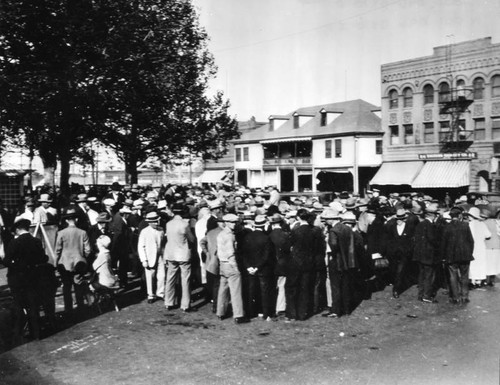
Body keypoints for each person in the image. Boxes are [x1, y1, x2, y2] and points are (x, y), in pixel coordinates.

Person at [4, 219, 48, 342]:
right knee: (33, 305)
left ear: (17, 229)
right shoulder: (36, 242)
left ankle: (20, 333)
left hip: (17, 279)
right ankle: (37, 333)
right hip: (33, 278)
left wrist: (16, 264)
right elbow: (43, 258)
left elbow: (7, 261)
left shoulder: (14, 243)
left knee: (19, 305)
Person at [285, 208, 323, 321]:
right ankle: (303, 313)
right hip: (309, 262)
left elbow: (288, 246)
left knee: (292, 288)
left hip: (295, 262)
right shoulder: (315, 231)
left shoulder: (295, 231)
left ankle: (292, 313)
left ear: (298, 217)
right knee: (305, 288)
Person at [55, 208, 91, 316]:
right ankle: (81, 308)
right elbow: (88, 250)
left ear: (66, 221)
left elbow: (57, 250)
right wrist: (83, 257)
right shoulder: (82, 232)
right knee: (78, 285)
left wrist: (56, 263)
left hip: (64, 263)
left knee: (66, 287)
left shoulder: (61, 233)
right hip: (79, 263)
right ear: (76, 219)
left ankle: (68, 310)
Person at [240, 214, 275, 320]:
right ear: (264, 225)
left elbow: (243, 254)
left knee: (251, 291)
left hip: (249, 268)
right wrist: (258, 267)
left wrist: (248, 267)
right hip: (262, 269)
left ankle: (251, 312)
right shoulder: (266, 238)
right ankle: (265, 313)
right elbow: (266, 255)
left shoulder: (247, 237)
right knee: (264, 291)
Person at [216, 213, 248, 324]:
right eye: (231, 222)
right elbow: (231, 253)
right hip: (230, 264)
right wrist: (235, 267)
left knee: (223, 289)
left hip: (222, 264)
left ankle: (220, 312)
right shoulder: (229, 235)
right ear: (226, 222)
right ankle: (238, 315)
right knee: (235, 291)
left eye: (235, 222)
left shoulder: (221, 234)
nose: (233, 224)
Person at [164, 204, 195, 311]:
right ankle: (185, 305)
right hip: (183, 254)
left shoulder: (168, 224)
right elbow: (191, 239)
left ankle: (169, 302)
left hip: (171, 254)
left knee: (170, 278)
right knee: (185, 280)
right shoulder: (185, 224)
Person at [440, 207, 474, 304]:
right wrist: (469, 252)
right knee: (464, 276)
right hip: (465, 255)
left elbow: (443, 243)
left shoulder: (446, 227)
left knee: (453, 276)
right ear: (459, 215)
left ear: (451, 216)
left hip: (451, 256)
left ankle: (455, 297)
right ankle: (465, 296)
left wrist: (443, 256)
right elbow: (471, 241)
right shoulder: (465, 225)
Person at [384, 208, 416, 298]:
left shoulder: (410, 227)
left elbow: (412, 241)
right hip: (393, 253)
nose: (399, 221)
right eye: (397, 219)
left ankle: (396, 290)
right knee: (393, 270)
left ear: (404, 219)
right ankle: (396, 283)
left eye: (401, 219)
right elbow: (388, 239)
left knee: (400, 271)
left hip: (404, 253)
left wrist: (409, 250)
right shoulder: (391, 226)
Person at [412, 204, 440, 303]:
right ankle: (426, 296)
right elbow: (432, 240)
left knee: (421, 275)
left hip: (420, 255)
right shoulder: (431, 226)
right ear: (433, 215)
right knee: (429, 276)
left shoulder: (420, 224)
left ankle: (421, 294)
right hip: (429, 255)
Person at [137, 212, 166, 303]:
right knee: (150, 277)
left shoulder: (161, 230)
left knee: (162, 276)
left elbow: (163, 244)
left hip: (160, 256)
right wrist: (144, 260)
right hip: (149, 257)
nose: (156, 223)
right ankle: (151, 295)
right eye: (153, 222)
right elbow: (141, 246)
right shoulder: (144, 231)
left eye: (156, 221)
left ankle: (160, 293)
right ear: (149, 222)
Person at [268, 213, 290, 316]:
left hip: (271, 264)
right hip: (283, 263)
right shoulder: (285, 235)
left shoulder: (269, 235)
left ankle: (271, 307)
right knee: (282, 285)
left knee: (272, 286)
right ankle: (280, 307)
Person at [468, 207, 491, 287]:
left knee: (472, 264)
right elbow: (488, 235)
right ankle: (479, 281)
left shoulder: (469, 225)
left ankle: (472, 281)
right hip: (481, 246)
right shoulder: (482, 224)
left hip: (472, 246)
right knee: (480, 263)